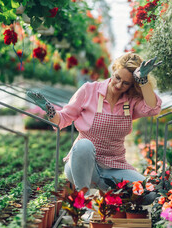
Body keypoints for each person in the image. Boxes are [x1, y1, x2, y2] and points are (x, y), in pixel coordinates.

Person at [27, 52, 162, 195]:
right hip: (81, 167)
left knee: (148, 193)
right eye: (117, 78)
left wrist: (143, 81)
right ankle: (84, 202)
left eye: (126, 83)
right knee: (84, 144)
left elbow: (153, 109)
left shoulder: (131, 99)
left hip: (114, 167)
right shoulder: (89, 91)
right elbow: (63, 118)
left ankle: (111, 202)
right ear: (114, 70)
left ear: (132, 84)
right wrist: (50, 110)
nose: (119, 84)